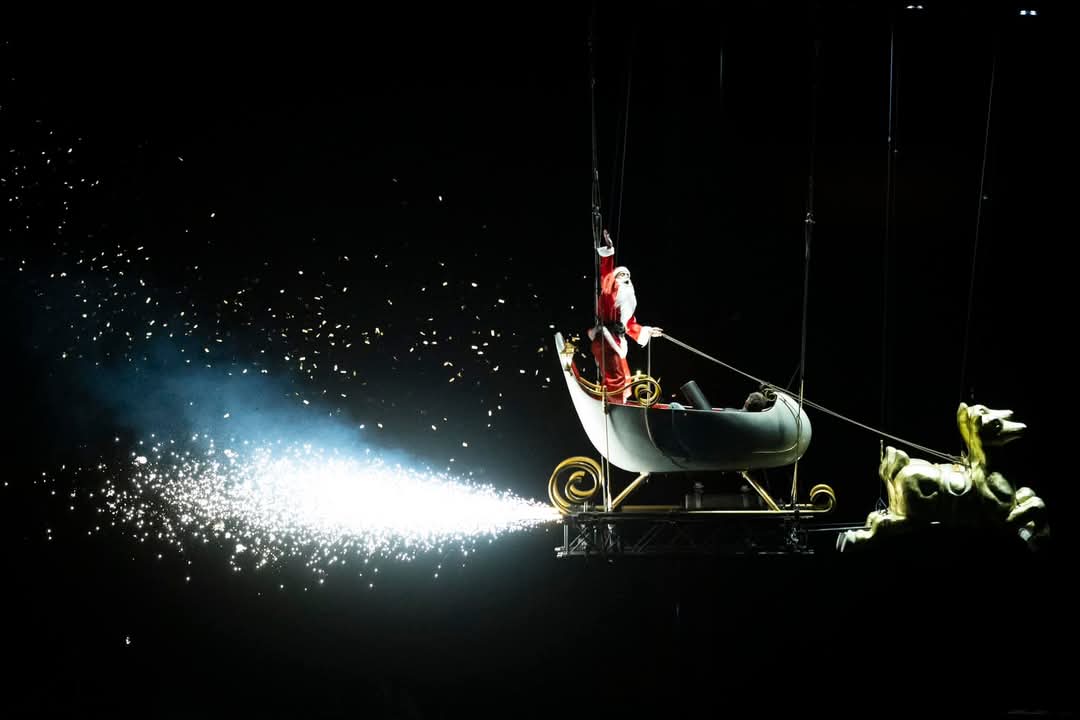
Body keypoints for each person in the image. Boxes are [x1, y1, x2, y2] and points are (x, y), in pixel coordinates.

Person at [588, 229, 663, 401]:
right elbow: (606, 273)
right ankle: (612, 405)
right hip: (606, 340)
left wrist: (648, 331)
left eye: (628, 275)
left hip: (615, 341)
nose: (626, 277)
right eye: (622, 274)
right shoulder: (609, 289)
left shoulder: (626, 303)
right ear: (615, 278)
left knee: (625, 376)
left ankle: (616, 402)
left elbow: (630, 325)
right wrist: (609, 250)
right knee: (616, 378)